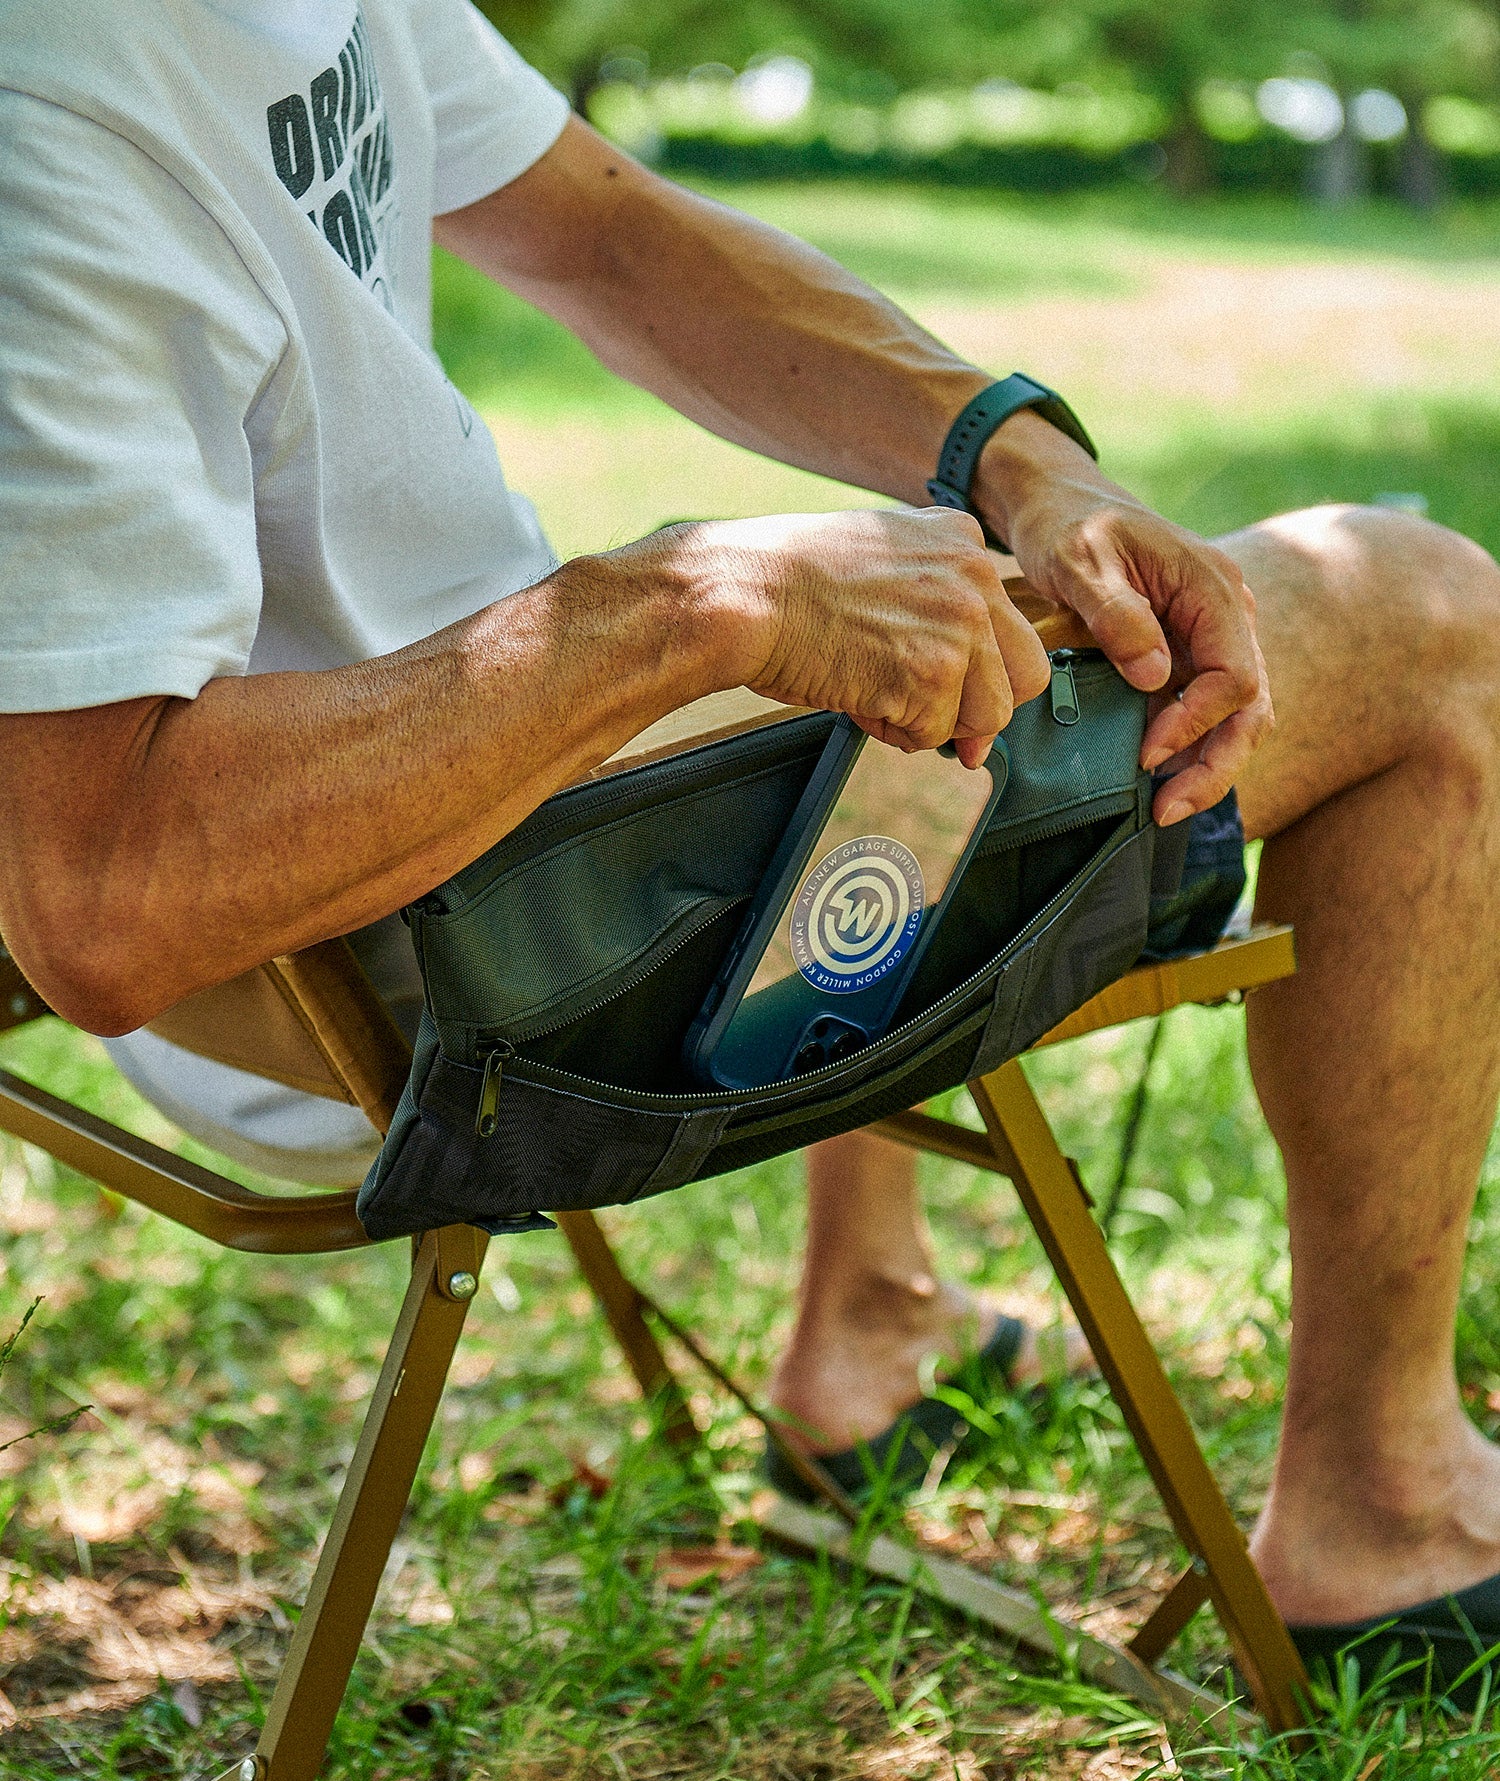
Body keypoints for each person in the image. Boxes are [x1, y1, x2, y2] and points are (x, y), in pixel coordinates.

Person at [3, 0, 1500, 1685]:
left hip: (479, 803)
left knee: (900, 593)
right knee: (1432, 616)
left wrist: (1019, 466)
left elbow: (610, 234)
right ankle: (1387, 1507)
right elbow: (106, 896)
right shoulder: (55, 99)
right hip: (425, 958)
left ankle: (869, 1319)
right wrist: (685, 605)